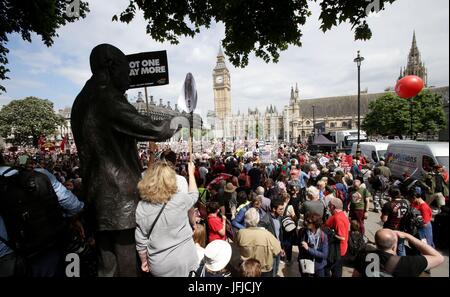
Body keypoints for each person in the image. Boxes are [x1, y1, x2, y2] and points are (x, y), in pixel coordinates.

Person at [71, 44, 177, 276]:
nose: (128, 79)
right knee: (127, 262)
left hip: (95, 196)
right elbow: (149, 127)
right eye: (126, 71)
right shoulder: (107, 97)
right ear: (111, 67)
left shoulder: (81, 100)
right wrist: (178, 121)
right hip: (120, 197)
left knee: (106, 264)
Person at [135, 161, 199, 277]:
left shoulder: (141, 207)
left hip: (160, 263)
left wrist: (144, 261)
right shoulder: (180, 200)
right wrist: (191, 173)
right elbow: (194, 195)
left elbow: (141, 241)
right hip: (186, 258)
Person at [352, 229, 444, 277]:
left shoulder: (363, 256)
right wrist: (408, 236)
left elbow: (355, 275)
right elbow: (439, 257)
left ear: (376, 243)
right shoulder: (407, 263)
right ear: (394, 246)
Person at [235, 208, 281, 277]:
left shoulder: (240, 233)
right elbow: (277, 250)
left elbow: (236, 244)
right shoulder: (267, 235)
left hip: (247, 270)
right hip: (264, 270)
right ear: (258, 220)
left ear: (245, 220)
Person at [324, 197, 350, 277]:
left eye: (329, 205)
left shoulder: (338, 218)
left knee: (331, 270)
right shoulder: (340, 215)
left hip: (336, 251)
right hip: (337, 249)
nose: (328, 207)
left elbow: (342, 237)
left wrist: (330, 233)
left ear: (333, 206)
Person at [381, 187, 410, 256]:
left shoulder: (388, 204)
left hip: (390, 229)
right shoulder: (405, 203)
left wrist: (382, 215)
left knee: (387, 247)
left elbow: (384, 219)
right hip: (401, 228)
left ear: (390, 194)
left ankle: (388, 261)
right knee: (400, 247)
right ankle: (403, 262)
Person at [298, 212, 328, 277]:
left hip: (318, 267)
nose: (306, 223)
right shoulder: (302, 232)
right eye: (306, 220)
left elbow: (324, 255)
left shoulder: (323, 236)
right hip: (305, 264)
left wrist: (309, 249)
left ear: (315, 224)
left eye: (309, 222)